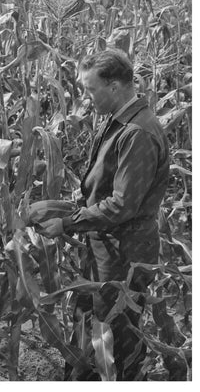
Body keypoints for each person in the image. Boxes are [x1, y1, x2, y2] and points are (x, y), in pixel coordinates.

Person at [36, 48, 170, 380]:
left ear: (114, 86)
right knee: (89, 328)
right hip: (104, 246)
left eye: (91, 89)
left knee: (115, 341)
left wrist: (67, 222)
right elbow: (105, 187)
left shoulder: (137, 132)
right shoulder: (117, 119)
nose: (86, 97)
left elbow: (122, 205)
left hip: (122, 255)